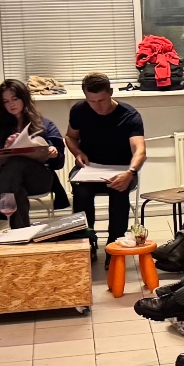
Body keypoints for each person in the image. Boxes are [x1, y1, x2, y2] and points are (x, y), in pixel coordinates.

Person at [66, 73, 146, 251]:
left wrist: (131, 172)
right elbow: (70, 137)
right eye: (92, 101)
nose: (98, 106)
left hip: (122, 169)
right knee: (80, 190)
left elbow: (140, 150)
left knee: (119, 190)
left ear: (110, 92)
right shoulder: (79, 110)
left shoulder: (129, 115)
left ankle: (114, 245)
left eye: (102, 100)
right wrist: (78, 153)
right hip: (90, 168)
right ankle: (86, 242)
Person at [0, 79, 65, 229]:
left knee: (17, 163)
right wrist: (5, 149)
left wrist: (53, 153)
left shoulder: (44, 124)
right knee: (15, 186)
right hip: (6, 182)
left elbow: (60, 162)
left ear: (24, 98)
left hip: (37, 179)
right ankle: (22, 234)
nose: (11, 104)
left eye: (15, 99)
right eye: (6, 101)